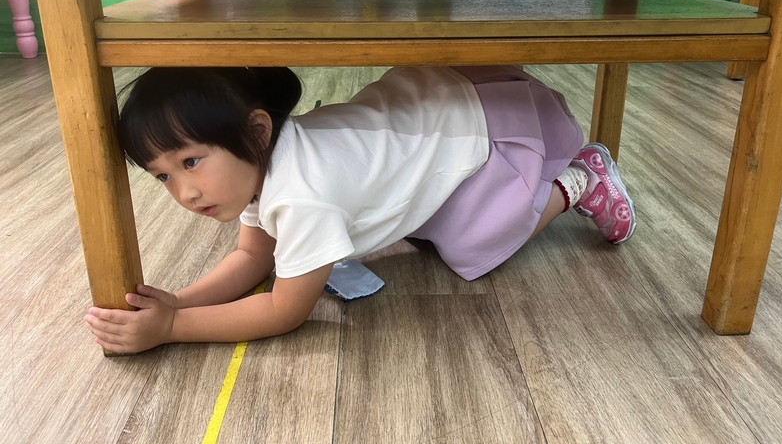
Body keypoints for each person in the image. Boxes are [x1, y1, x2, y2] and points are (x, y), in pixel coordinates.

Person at [84, 66, 635, 354]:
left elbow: (284, 310)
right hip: (431, 106)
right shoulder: (261, 161)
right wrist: (179, 300)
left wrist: (172, 326)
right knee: (423, 226)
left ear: (256, 131)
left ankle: (580, 179)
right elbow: (254, 257)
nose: (184, 193)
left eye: (191, 162)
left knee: (476, 247)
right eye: (163, 175)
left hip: (478, 127)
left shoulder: (301, 195)